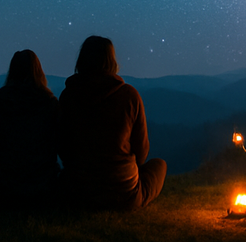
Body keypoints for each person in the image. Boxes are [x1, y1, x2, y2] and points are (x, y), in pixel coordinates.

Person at [58, 36, 166, 210]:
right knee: (159, 164)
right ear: (111, 60)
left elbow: (62, 146)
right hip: (123, 194)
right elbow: (142, 153)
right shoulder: (129, 96)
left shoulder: (68, 96)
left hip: (77, 192)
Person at [0, 49, 61, 201]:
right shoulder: (49, 103)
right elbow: (57, 140)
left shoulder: (0, 100)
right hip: (41, 181)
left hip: (3, 182)